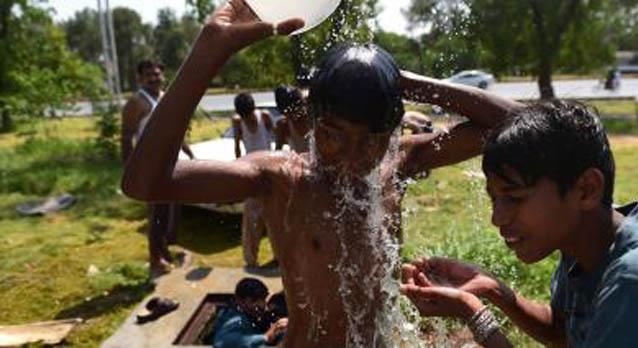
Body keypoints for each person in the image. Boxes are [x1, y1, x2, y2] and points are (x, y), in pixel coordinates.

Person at [121, 1, 520, 345]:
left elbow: (521, 124)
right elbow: (145, 182)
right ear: (312, 126)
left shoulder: (400, 162)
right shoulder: (283, 179)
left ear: (391, 135)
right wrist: (209, 50)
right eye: (332, 137)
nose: (350, 157)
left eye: (369, 142)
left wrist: (409, 84)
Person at [400, 101, 638, 347]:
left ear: (586, 189)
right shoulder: (587, 245)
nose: (497, 218)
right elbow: (562, 332)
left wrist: (474, 314)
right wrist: (492, 289)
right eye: (494, 199)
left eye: (515, 197)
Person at [120, 59, 193, 278]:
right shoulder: (136, 103)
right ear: (140, 78)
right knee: (157, 214)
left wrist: (187, 151)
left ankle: (165, 251)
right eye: (149, 75)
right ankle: (155, 260)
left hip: (171, 162)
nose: (154, 78)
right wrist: (129, 170)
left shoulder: (164, 97)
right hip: (149, 166)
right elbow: (126, 137)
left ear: (163, 75)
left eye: (157, 74)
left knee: (171, 210)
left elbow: (173, 130)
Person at [232, 92, 275, 268]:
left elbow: (275, 141)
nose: (248, 119)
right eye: (245, 116)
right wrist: (237, 170)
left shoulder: (264, 116)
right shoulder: (237, 121)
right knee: (251, 220)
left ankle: (278, 257)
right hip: (250, 172)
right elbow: (237, 147)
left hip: (270, 172)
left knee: (274, 217)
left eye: (249, 115)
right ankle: (250, 260)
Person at [213, 278, 287, 348]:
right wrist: (265, 337)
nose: (261, 305)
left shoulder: (250, 317)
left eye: (263, 299)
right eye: (254, 300)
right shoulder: (236, 319)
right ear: (240, 301)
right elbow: (222, 341)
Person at [273, 85, 310, 153]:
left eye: (296, 110)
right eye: (289, 113)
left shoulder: (315, 120)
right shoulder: (284, 126)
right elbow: (277, 153)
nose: (293, 116)